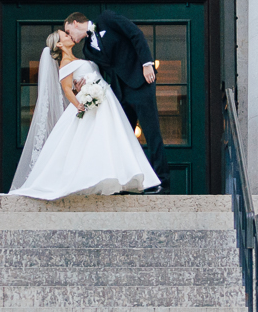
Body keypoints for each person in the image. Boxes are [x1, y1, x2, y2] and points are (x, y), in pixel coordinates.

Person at [8, 28, 160, 199]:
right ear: (59, 44)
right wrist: (79, 104)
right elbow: (67, 90)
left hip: (106, 101)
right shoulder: (65, 64)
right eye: (65, 35)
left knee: (111, 138)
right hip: (91, 105)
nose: (69, 35)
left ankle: (119, 178)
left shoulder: (77, 59)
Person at [68, 10, 166, 193]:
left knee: (152, 133)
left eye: (69, 32)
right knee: (124, 138)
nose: (70, 37)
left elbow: (135, 34)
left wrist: (147, 63)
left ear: (75, 23)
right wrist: (83, 82)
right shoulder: (86, 49)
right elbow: (97, 72)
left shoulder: (106, 19)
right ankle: (129, 183)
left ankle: (162, 182)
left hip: (141, 82)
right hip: (120, 93)